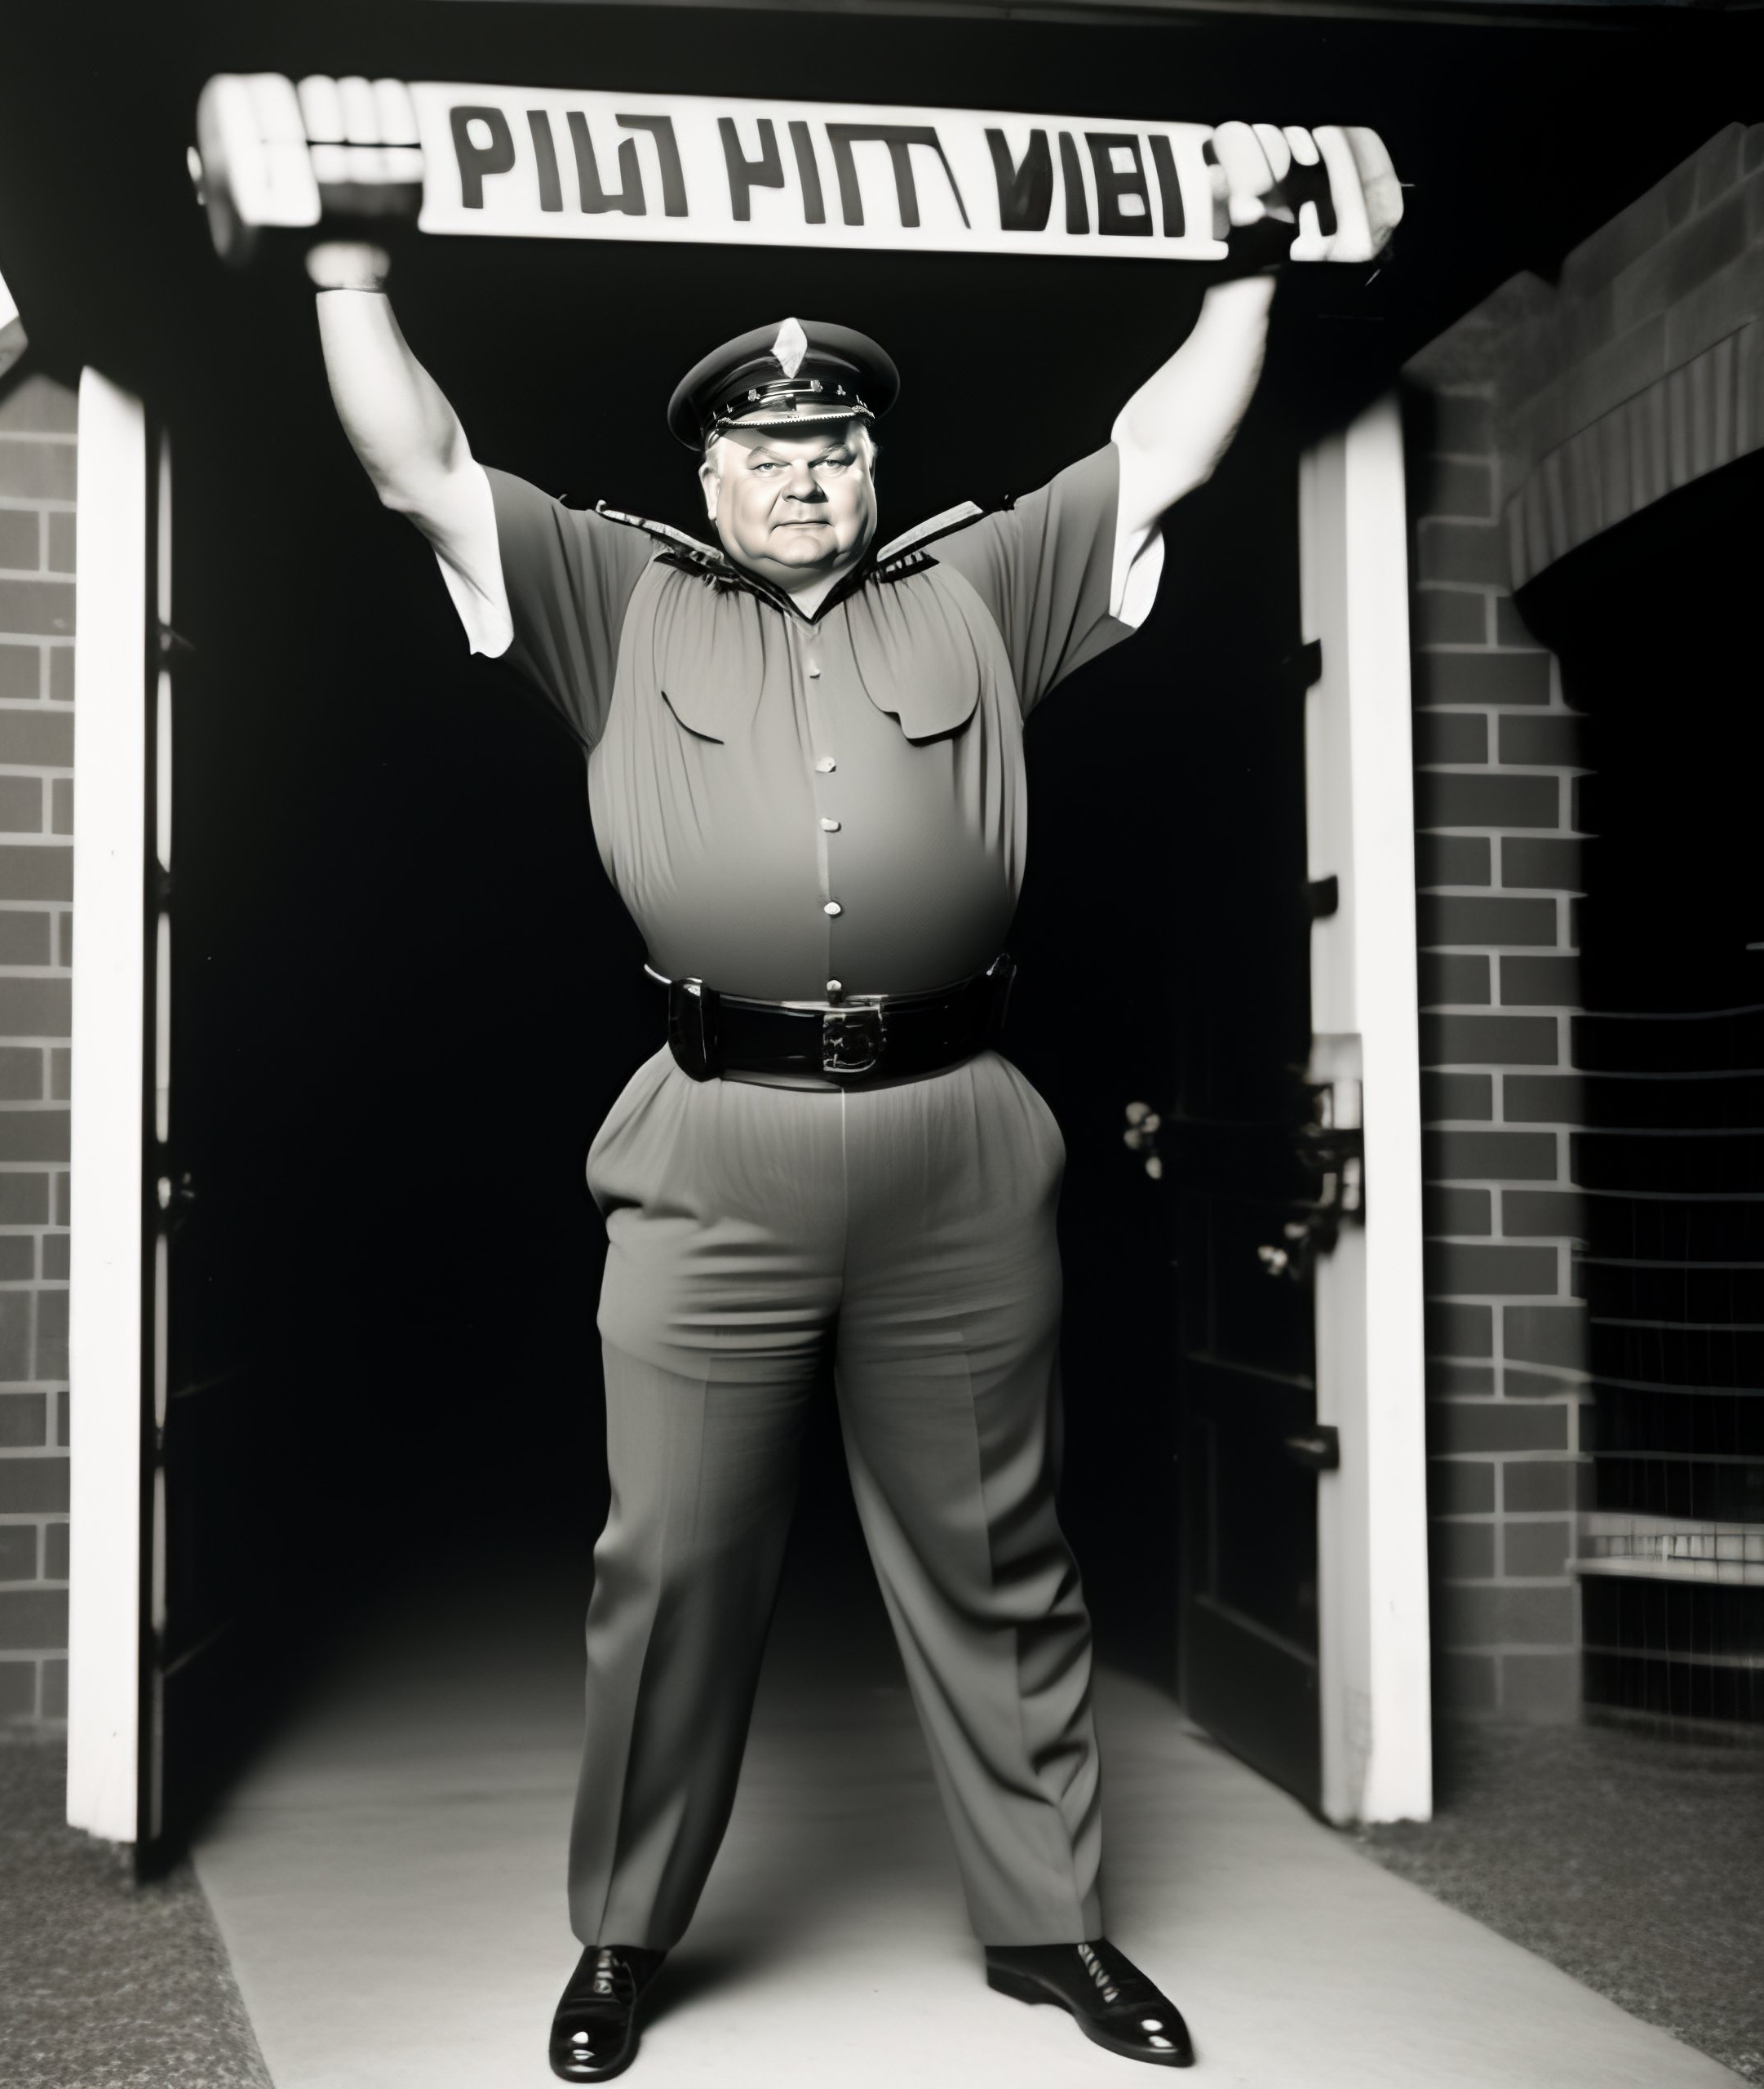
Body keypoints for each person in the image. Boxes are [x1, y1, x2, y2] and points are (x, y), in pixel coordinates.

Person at [307, 118, 1400, 2079]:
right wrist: (344, 271)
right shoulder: (606, 595)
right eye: (760, 448)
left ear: (867, 467)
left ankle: (1049, 1925)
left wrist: (1243, 271)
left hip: (957, 1138)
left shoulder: (982, 581)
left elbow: (1166, 446)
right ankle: (625, 1936)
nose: (798, 473)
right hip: (712, 1148)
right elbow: (417, 465)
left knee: (997, 1548)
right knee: (675, 1558)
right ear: (701, 475)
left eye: (829, 446)